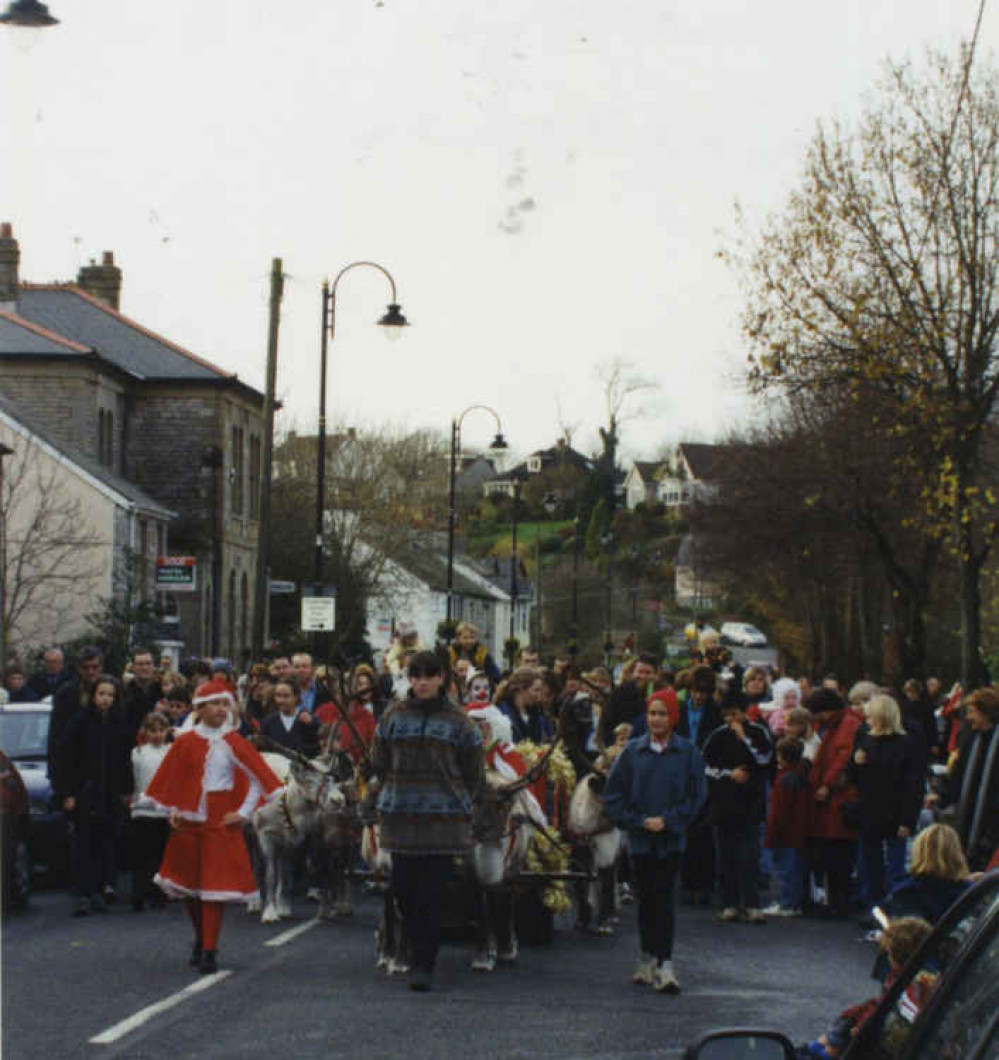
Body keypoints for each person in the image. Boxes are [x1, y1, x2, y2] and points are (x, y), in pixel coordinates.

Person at [147, 680, 282, 973]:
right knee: (190, 888)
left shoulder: (233, 741)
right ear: (200, 708)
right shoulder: (184, 741)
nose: (222, 709)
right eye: (216, 704)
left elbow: (260, 778)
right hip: (189, 821)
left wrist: (243, 812)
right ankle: (200, 937)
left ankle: (210, 949)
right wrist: (173, 809)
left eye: (226, 704)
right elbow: (174, 779)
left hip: (219, 822)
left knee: (213, 888)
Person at [369, 651, 485, 991]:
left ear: (442, 680)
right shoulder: (393, 715)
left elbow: (474, 771)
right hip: (400, 817)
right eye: (416, 675)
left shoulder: (459, 721)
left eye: (429, 676)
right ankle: (415, 946)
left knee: (431, 895)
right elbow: (379, 759)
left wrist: (464, 802)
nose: (422, 682)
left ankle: (424, 964)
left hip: (442, 820)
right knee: (402, 891)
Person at [603, 697, 707, 994]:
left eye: (662, 714)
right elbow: (614, 795)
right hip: (641, 840)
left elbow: (697, 795)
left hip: (671, 840)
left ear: (673, 718)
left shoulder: (687, 752)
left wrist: (671, 820)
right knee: (646, 900)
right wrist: (638, 821)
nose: (656, 719)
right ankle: (646, 957)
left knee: (665, 900)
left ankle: (666, 963)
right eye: (652, 713)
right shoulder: (633, 752)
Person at [796, 917, 933, 1060]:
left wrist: (862, 1026)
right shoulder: (915, 978)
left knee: (841, 1035)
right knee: (842, 1028)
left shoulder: (908, 983)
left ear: (893, 953)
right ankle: (815, 1048)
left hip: (877, 1032)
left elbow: (892, 1012)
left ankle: (820, 1053)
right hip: (871, 1023)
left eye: (888, 951)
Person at [58, 674, 134, 916]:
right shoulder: (79, 722)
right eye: (101, 694)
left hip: (109, 792)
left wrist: (126, 790)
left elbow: (125, 760)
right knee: (84, 844)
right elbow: (66, 760)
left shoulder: (119, 723)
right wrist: (68, 793)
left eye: (110, 695)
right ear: (92, 696)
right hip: (85, 792)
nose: (105, 700)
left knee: (106, 842)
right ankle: (83, 893)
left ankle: (102, 890)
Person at [702, 686, 774, 923]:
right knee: (726, 856)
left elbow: (765, 759)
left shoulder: (760, 732)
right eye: (727, 715)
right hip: (724, 803)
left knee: (750, 855)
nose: (731, 720)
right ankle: (729, 903)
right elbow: (705, 767)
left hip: (751, 803)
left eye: (735, 714)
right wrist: (727, 774)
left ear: (745, 713)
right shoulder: (718, 735)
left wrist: (745, 739)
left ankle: (752, 904)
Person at [848, 694, 923, 912]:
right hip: (870, 810)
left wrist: (908, 819)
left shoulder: (906, 743)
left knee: (895, 864)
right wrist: (856, 763)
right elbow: (854, 777)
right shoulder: (865, 739)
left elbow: (913, 784)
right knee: (870, 862)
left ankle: (894, 905)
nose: (867, 720)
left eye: (870, 716)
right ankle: (873, 904)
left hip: (894, 811)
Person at [928, 687, 999, 871]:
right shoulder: (972, 740)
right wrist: (941, 797)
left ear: (986, 713)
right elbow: (957, 777)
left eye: (972, 712)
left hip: (992, 823)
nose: (967, 717)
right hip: (970, 819)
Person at [806, 687, 862, 918]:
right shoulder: (839, 724)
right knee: (833, 854)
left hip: (838, 800)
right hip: (833, 799)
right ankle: (836, 901)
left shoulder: (847, 725)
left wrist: (826, 784)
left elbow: (842, 759)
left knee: (839, 855)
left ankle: (840, 903)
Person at [129, 712, 171, 911]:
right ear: (146, 732)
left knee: (162, 855)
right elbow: (135, 780)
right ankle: (139, 893)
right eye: (153, 731)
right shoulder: (137, 753)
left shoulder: (170, 751)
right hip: (142, 810)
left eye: (161, 731)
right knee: (142, 855)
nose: (157, 735)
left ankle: (159, 893)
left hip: (164, 810)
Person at [764, 737, 811, 916]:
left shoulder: (784, 780)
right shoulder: (802, 775)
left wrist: (772, 833)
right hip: (799, 832)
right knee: (796, 869)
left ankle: (787, 904)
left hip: (784, 833)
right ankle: (794, 903)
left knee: (785, 869)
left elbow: (778, 812)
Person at [49, 647, 104, 796]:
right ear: (79, 669)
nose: (91, 672)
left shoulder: (111, 691)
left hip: (103, 773)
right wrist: (62, 786)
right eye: (86, 668)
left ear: (101, 668)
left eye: (95, 667)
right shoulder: (66, 694)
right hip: (75, 773)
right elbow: (56, 739)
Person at [601, 653, 657, 742]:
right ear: (633, 672)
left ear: (655, 675)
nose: (643, 676)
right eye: (640, 671)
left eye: (648, 673)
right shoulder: (620, 692)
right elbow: (607, 723)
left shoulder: (660, 694)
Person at [259, 678, 321, 757]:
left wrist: (310, 725)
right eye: (278, 696)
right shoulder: (268, 722)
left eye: (286, 696)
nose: (281, 700)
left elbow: (315, 750)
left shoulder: (310, 720)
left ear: (296, 697)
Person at [496, 668, 552, 744]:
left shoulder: (536, 713)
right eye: (536, 690)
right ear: (521, 689)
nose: (539, 696)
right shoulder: (503, 713)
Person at [124, 649, 163, 739]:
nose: (145, 668)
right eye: (140, 664)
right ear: (133, 667)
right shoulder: (124, 692)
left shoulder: (160, 690)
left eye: (148, 663)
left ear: (153, 666)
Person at [449, 622, 501, 688]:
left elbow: (496, 676)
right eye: (465, 638)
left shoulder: (483, 654)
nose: (469, 641)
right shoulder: (450, 653)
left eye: (472, 637)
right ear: (458, 638)